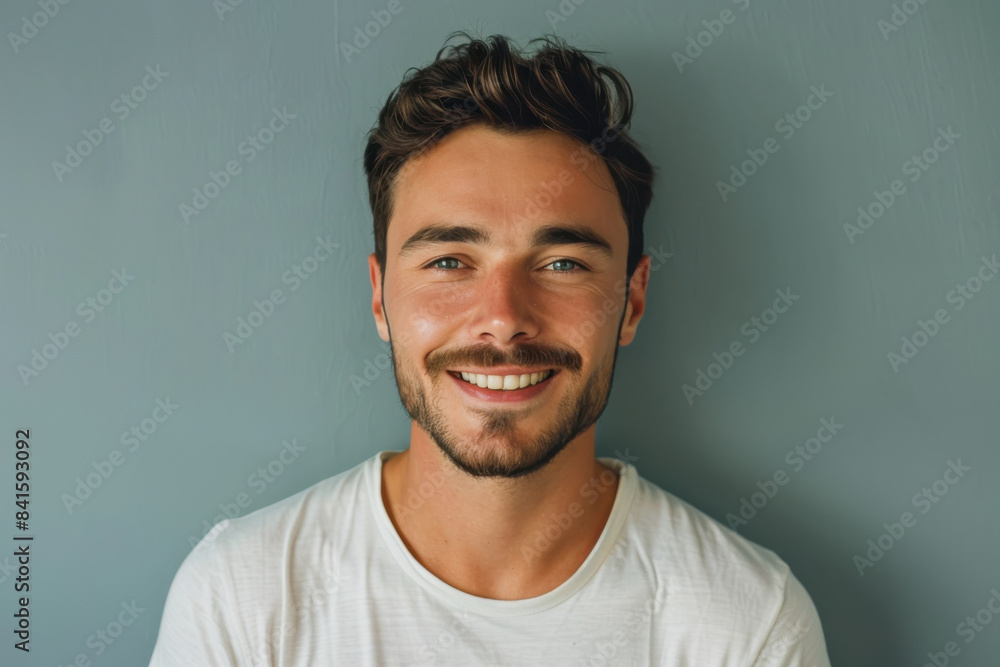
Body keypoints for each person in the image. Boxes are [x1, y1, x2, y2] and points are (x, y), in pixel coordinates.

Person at [148, 31, 831, 666]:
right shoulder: (240, 597)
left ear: (632, 300)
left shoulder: (746, 625)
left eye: (562, 264)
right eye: (449, 261)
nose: (503, 321)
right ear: (380, 297)